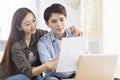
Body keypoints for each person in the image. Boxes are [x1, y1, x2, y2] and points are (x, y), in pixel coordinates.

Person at [0, 8, 82, 80]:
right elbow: (29, 72)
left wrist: (72, 29)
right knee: (25, 77)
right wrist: (48, 64)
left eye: (34, 20)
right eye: (28, 24)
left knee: (39, 78)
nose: (33, 26)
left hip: (33, 75)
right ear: (19, 27)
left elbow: (55, 33)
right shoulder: (16, 46)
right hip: (13, 76)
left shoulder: (39, 34)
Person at [37, 3, 89, 80]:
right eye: (54, 21)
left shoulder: (76, 35)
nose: (59, 24)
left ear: (66, 19)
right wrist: (64, 58)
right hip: (54, 76)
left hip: (75, 75)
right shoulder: (43, 42)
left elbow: (88, 58)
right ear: (47, 24)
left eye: (61, 19)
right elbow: (46, 67)